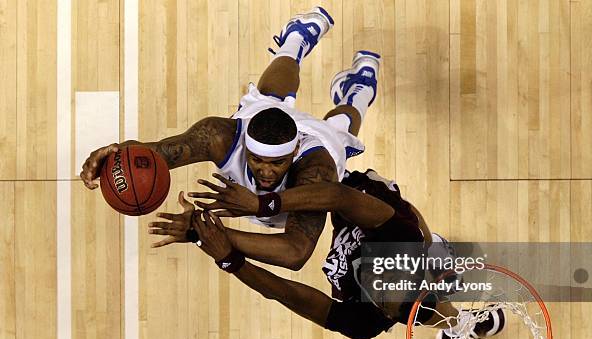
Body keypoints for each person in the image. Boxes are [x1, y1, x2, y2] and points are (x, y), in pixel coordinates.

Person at [80, 6, 381, 270]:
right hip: (264, 126)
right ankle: (296, 39)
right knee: (270, 97)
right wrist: (112, 156)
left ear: (293, 153)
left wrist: (204, 231)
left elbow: (296, 252)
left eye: (276, 163)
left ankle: (359, 91)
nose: (265, 171)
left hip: (312, 162)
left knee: (339, 134)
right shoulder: (220, 137)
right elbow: (155, 154)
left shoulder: (316, 169)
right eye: (257, 159)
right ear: (246, 144)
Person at [151, 170, 506, 339]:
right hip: (358, 193)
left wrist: (227, 257)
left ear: (383, 311)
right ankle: (439, 257)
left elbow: (285, 292)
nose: (378, 279)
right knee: (410, 226)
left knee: (426, 310)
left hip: (369, 243)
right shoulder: (400, 240)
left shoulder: (364, 322)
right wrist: (261, 204)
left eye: (382, 294)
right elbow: (338, 197)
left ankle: (461, 328)